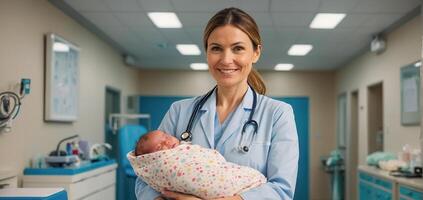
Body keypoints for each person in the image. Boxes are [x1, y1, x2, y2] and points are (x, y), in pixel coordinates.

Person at [135, 7, 299, 200]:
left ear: (256, 53)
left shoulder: (277, 113)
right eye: (216, 48)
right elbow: (146, 174)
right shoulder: (179, 111)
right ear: (207, 53)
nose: (226, 59)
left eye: (238, 48)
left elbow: (281, 190)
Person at [128, 130, 266, 199]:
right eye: (160, 147)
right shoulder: (178, 109)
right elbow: (146, 177)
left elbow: (283, 188)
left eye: (166, 137)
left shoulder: (277, 111)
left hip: (242, 185)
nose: (167, 142)